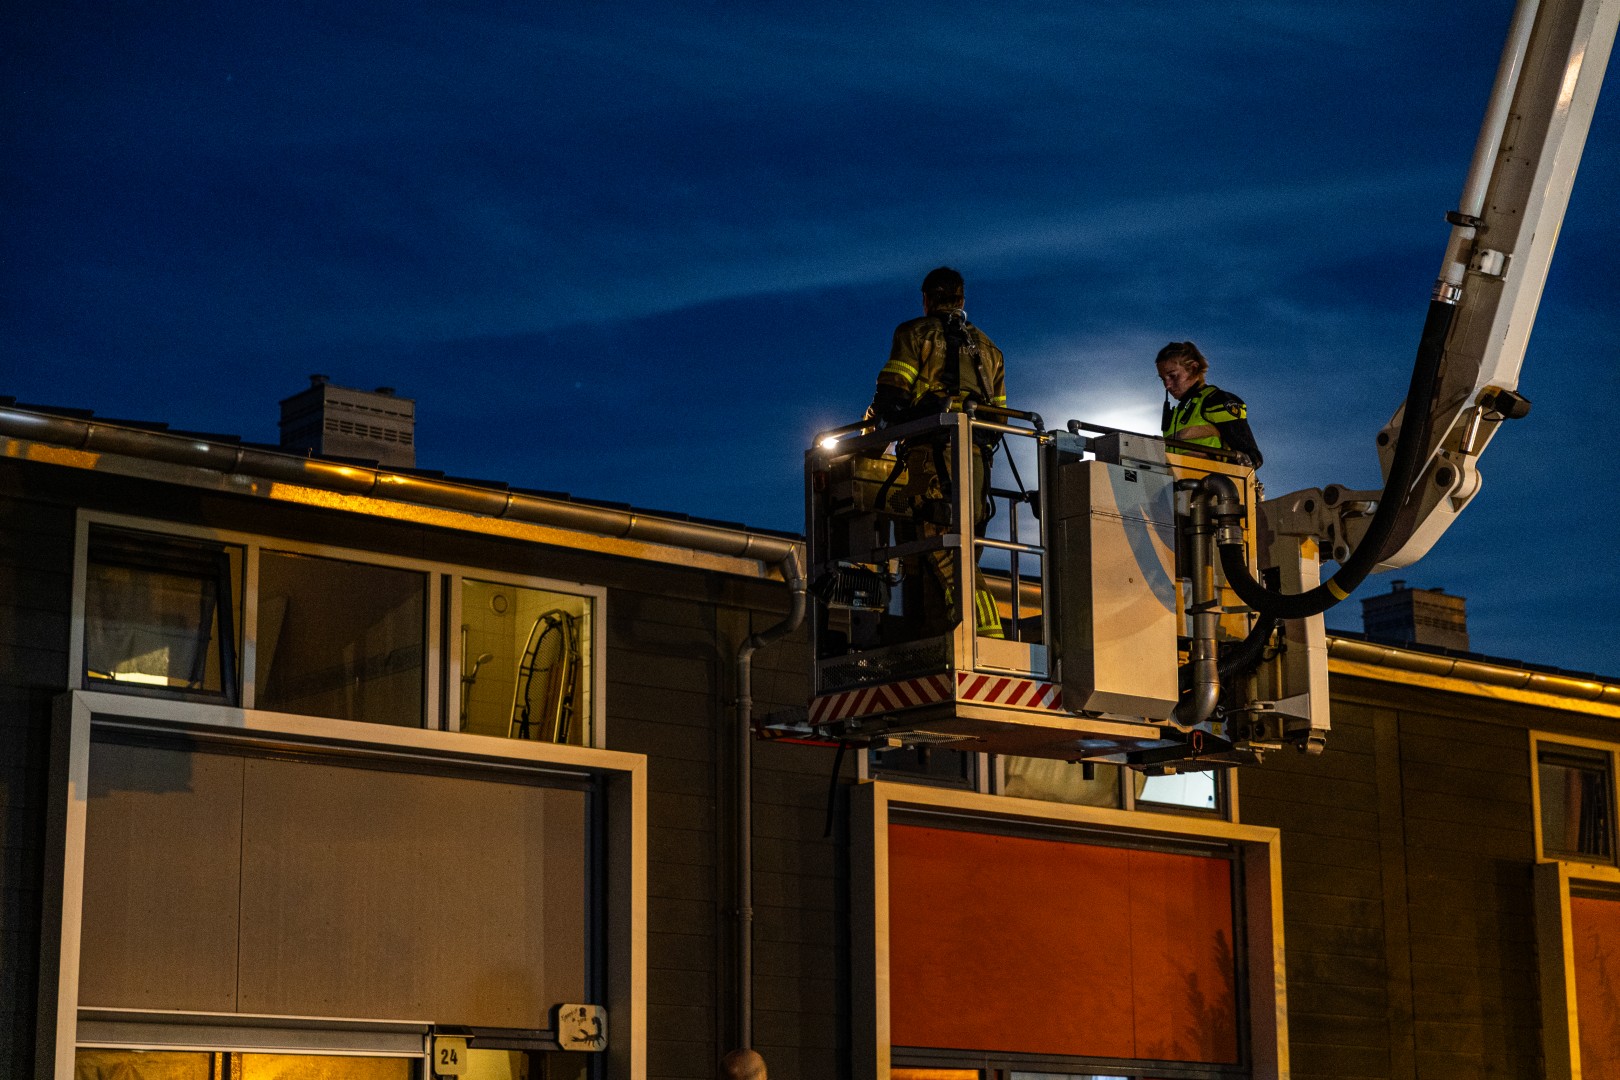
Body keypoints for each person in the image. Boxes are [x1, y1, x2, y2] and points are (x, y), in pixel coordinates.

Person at [868, 267, 1006, 639]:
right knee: (962, 545)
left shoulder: (914, 334)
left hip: (931, 460)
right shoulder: (990, 349)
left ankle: (980, 634)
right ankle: (954, 634)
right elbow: (998, 419)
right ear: (962, 300)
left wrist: (870, 445)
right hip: (977, 470)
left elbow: (892, 398)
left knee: (940, 545)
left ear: (927, 299)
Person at [1155, 340, 1263, 467]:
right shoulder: (1176, 414)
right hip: (1176, 484)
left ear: (1193, 368)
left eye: (1173, 376)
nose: (1167, 385)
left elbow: (1252, 457)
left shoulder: (1216, 401)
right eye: (1163, 379)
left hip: (1212, 484)